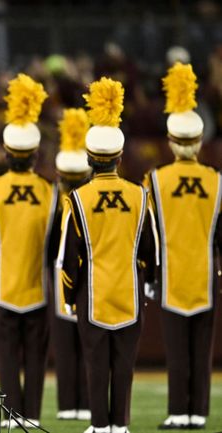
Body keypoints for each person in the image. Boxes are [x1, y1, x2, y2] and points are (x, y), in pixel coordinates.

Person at [58, 77, 157, 433]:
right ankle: (122, 424)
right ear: (118, 157)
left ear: (89, 158)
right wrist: (149, 283)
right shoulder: (140, 196)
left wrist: (70, 296)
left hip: (92, 295)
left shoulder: (78, 199)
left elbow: (69, 260)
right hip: (129, 293)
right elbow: (151, 250)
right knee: (125, 366)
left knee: (96, 364)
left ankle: (100, 426)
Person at [0, 73, 55, 429]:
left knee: (6, 356)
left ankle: (12, 416)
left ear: (6, 153)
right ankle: (32, 415)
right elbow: (58, 248)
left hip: (3, 289)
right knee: (35, 356)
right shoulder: (52, 191)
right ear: (35, 154)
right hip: (39, 289)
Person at [144, 63, 220, 430]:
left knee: (177, 351)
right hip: (205, 276)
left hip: (170, 275)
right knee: (201, 351)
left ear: (171, 142)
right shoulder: (217, 181)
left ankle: (178, 411)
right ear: (200, 141)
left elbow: (147, 231)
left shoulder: (155, 180)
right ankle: (198, 412)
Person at [48, 108, 91, 422]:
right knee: (82, 343)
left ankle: (72, 403)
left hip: (67, 276)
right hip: (88, 278)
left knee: (72, 343)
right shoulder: (64, 201)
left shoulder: (56, 200)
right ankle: (81, 403)